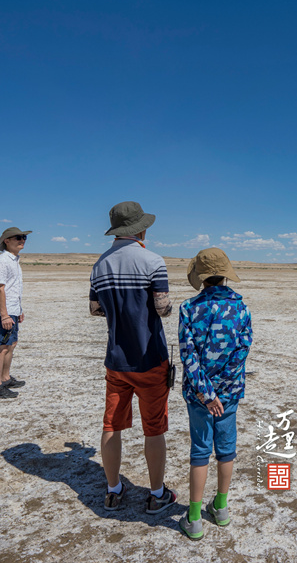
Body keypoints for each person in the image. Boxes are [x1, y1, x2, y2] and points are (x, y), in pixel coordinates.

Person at [89, 201, 177, 515]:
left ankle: (113, 491)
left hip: (116, 360)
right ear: (139, 229)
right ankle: (156, 493)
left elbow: (95, 309)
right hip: (150, 358)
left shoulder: (99, 265)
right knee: (153, 428)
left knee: (111, 424)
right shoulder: (153, 261)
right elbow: (163, 309)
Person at [178, 248, 252, 541]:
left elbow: (189, 355)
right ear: (224, 275)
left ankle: (194, 518)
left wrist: (207, 393)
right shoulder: (241, 308)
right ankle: (220, 507)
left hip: (199, 395)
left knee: (200, 451)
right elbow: (241, 352)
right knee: (226, 449)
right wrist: (222, 389)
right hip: (230, 393)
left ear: (201, 277)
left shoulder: (188, 308)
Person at [0, 227, 31, 398]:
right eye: (18, 237)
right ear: (7, 240)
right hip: (4, 312)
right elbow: (0, 289)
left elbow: (13, 289)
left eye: (24, 237)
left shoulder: (14, 260)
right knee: (2, 348)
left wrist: (18, 310)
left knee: (11, 345)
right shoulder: (2, 261)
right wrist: (4, 315)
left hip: (12, 309)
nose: (22, 240)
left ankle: (5, 378)